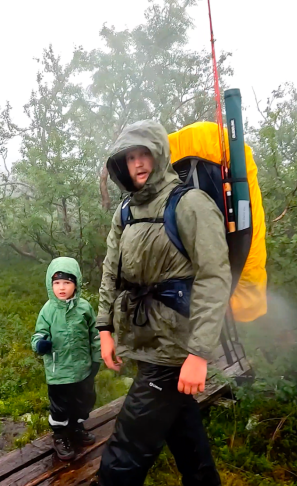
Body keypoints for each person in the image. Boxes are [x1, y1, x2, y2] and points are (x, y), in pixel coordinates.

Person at [95, 120, 231, 486]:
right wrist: (104, 328)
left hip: (174, 347)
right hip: (143, 338)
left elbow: (214, 277)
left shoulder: (189, 204)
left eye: (145, 154)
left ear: (160, 155)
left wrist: (199, 353)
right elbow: (111, 271)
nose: (138, 163)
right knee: (185, 433)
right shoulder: (125, 211)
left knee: (123, 454)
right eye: (130, 157)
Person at [32, 257, 102, 461]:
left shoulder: (85, 308)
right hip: (59, 372)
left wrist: (96, 359)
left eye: (67, 282)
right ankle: (60, 436)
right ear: (50, 284)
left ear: (76, 284)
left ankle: (77, 428)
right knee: (60, 407)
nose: (61, 288)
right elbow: (38, 334)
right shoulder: (48, 310)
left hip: (82, 369)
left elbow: (95, 335)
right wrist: (40, 344)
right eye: (57, 283)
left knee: (83, 401)